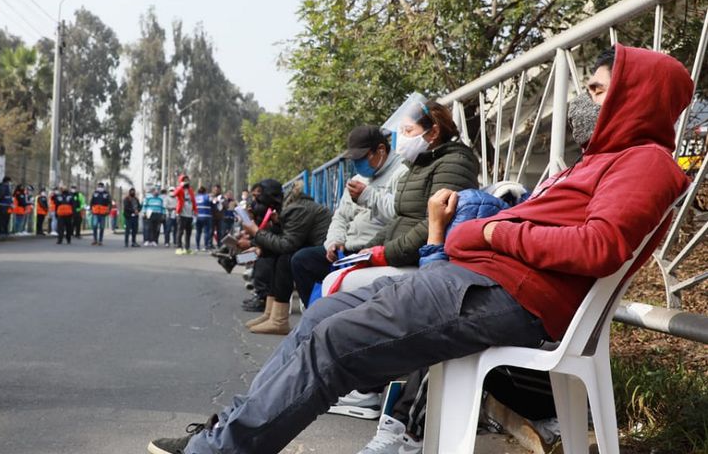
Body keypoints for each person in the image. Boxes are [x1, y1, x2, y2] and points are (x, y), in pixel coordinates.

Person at [146, 45, 692, 454]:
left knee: (334, 342)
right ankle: (228, 432)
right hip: (473, 280)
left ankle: (219, 451)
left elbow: (599, 247)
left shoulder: (644, 162)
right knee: (322, 315)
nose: (584, 101)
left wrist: (493, 232)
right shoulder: (600, 160)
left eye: (598, 91)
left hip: (506, 295)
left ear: (632, 97)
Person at [323, 96, 480, 295]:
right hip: (398, 255)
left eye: (408, 131)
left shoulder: (454, 163)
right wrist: (369, 249)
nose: (402, 138)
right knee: (334, 280)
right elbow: (399, 218)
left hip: (422, 261)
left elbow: (433, 224)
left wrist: (384, 254)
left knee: (338, 285)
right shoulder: (418, 165)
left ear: (433, 132)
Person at [290, 125, 409, 306]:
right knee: (302, 261)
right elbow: (341, 217)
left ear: (381, 150)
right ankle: (316, 319)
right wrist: (333, 241)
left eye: (361, 158)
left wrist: (368, 195)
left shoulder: (402, 172)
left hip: (373, 250)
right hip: (346, 250)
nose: (357, 164)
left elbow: (401, 214)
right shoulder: (358, 179)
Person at [238, 180, 331, 335]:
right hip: (316, 249)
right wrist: (258, 245)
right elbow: (285, 240)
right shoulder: (289, 208)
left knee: (284, 258)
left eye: (257, 197)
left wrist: (255, 231)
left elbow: (287, 245)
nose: (255, 202)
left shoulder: (298, 209)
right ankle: (270, 313)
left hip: (328, 252)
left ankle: (279, 320)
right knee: (276, 255)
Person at [175, 175, 197, 255]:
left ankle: (187, 248)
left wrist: (195, 210)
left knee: (188, 232)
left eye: (187, 180)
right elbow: (175, 193)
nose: (186, 181)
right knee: (180, 232)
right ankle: (178, 247)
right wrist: (181, 186)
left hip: (189, 215)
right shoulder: (180, 189)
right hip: (181, 214)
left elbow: (193, 201)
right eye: (184, 180)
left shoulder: (190, 190)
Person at [194, 186, 214, 251]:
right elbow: (212, 204)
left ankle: (197, 247)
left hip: (198, 216)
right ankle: (205, 246)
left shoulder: (196, 197)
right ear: (205, 191)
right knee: (206, 232)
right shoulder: (207, 197)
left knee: (198, 232)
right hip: (207, 216)